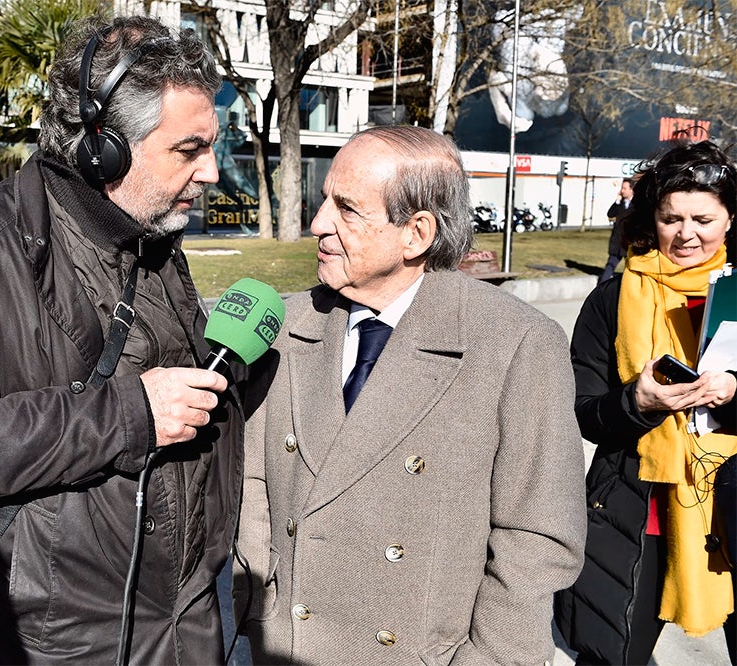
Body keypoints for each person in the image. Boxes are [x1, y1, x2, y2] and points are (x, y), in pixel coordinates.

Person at [0, 15, 244, 664]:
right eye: (188, 150)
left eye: (212, 146)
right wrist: (125, 415)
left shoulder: (154, 239)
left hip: (186, 630)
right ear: (106, 148)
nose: (211, 171)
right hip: (51, 643)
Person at [234, 125, 587, 664]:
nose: (319, 223)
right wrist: (262, 607)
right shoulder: (286, 323)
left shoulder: (516, 344)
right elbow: (254, 482)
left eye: (347, 209)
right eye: (324, 198)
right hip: (287, 647)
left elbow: (537, 538)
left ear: (416, 234)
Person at [554, 140, 737, 665]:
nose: (686, 234)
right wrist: (635, 400)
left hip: (731, 500)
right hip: (636, 509)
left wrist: (733, 391)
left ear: (730, 220)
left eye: (703, 218)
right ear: (650, 218)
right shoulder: (611, 300)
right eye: (670, 218)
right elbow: (581, 410)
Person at [599, 178, 634, 283]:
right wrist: (617, 201)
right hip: (618, 242)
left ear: (631, 190)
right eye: (621, 188)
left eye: (624, 188)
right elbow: (610, 213)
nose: (622, 191)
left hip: (630, 242)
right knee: (610, 265)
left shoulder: (637, 204)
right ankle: (600, 288)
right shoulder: (620, 204)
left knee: (631, 268)